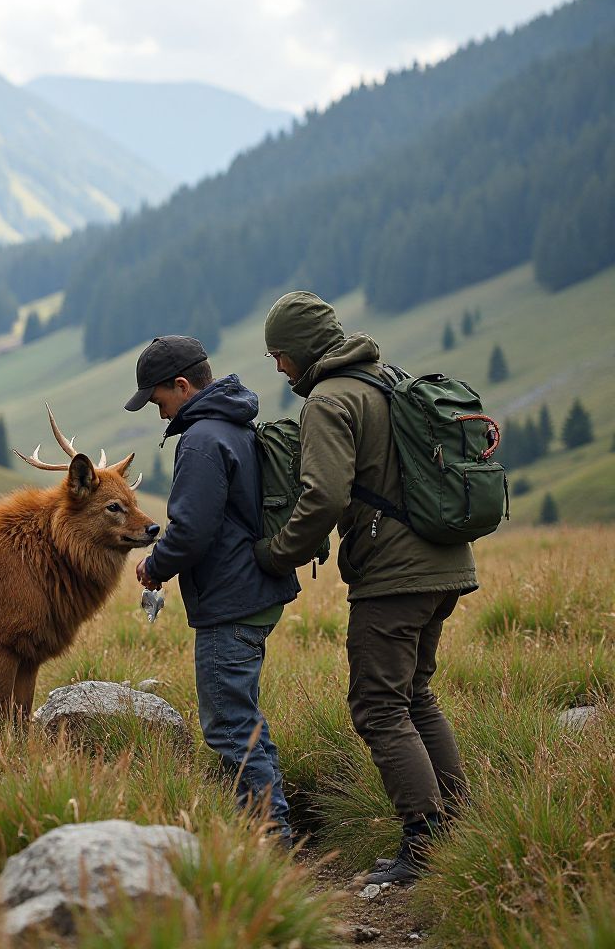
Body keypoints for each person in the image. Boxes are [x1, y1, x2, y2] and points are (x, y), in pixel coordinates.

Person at [254, 291, 475, 885]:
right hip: (445, 560)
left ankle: (425, 842)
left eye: (279, 354)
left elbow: (322, 495)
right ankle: (458, 828)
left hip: (395, 575)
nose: (277, 367)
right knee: (415, 696)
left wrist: (278, 554)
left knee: (379, 706)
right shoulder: (388, 378)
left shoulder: (331, 399)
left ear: (300, 350)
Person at [125, 335, 300, 845]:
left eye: (158, 401)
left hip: (231, 601)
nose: (159, 415)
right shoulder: (234, 425)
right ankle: (275, 829)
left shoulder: (201, 439)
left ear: (181, 386)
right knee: (241, 719)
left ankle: (270, 842)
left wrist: (155, 564)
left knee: (228, 725)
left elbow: (193, 529)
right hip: (253, 593)